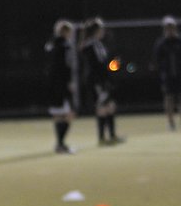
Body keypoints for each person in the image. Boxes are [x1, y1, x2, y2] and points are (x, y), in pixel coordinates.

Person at [79, 17, 122, 146]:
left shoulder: (97, 44)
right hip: (97, 81)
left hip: (101, 79)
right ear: (96, 30)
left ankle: (111, 136)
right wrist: (102, 79)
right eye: (101, 29)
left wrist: (111, 69)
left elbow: (102, 63)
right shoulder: (90, 45)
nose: (103, 31)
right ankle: (102, 138)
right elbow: (95, 65)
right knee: (102, 107)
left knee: (110, 106)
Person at [44, 19, 79, 153]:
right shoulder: (65, 46)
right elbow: (65, 66)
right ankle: (61, 144)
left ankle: (60, 145)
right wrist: (69, 82)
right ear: (64, 32)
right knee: (70, 113)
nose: (71, 35)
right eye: (70, 32)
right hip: (61, 85)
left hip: (51, 84)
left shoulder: (50, 45)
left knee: (58, 115)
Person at [152, 15, 181, 131]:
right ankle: (171, 123)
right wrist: (162, 71)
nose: (169, 30)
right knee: (169, 98)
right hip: (167, 75)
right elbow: (157, 59)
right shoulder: (161, 43)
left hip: (180, 74)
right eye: (167, 28)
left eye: (171, 27)